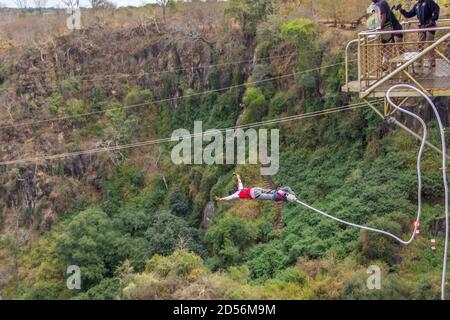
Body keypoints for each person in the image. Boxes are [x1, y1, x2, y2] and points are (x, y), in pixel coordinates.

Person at [399, 0, 440, 68]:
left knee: (430, 44)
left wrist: (432, 20)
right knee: (420, 44)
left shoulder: (429, 1)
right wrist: (401, 10)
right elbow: (409, 15)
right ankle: (419, 61)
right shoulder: (417, 5)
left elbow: (436, 9)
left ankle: (432, 62)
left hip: (430, 26)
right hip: (422, 26)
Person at [215, 174, 297, 203]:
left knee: (271, 197)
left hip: (254, 194)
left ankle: (284, 195)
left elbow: (228, 198)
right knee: (271, 191)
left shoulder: (236, 194)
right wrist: (237, 176)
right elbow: (239, 180)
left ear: (233, 193)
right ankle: (285, 190)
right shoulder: (240, 189)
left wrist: (220, 199)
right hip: (254, 189)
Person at [372, 0, 404, 71]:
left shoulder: (381, 3)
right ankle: (389, 67)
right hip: (391, 30)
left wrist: (380, 27)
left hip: (393, 29)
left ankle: (400, 67)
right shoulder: (380, 4)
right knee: (389, 49)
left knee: (395, 48)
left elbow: (383, 16)